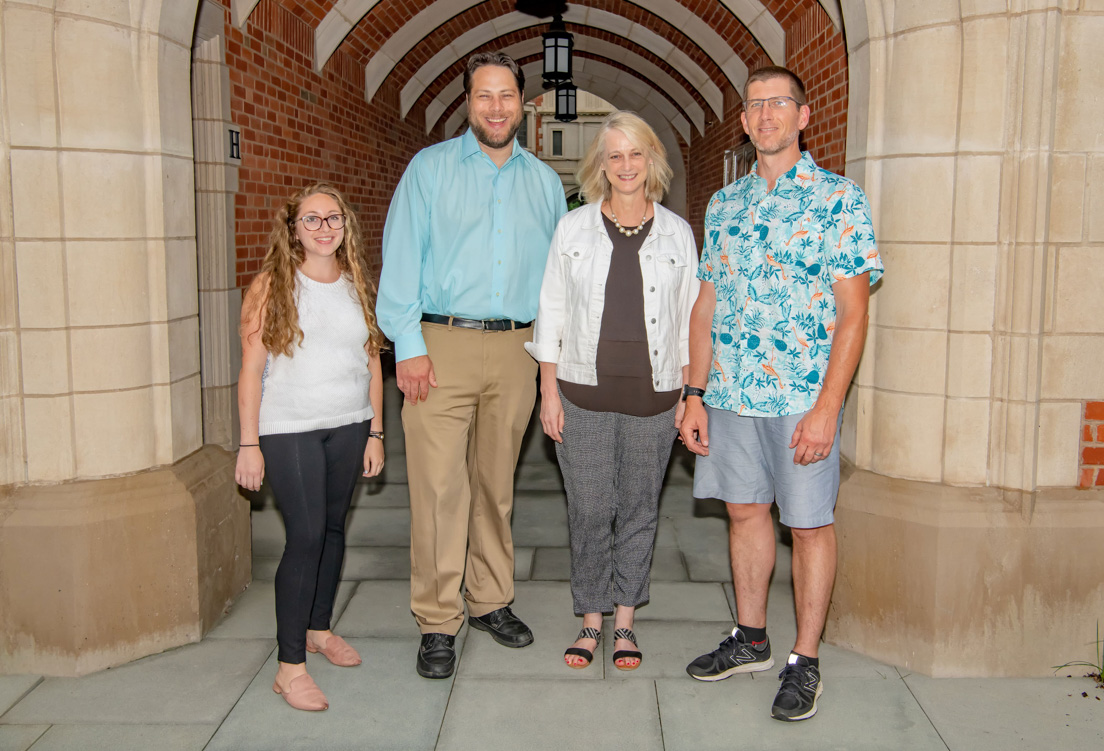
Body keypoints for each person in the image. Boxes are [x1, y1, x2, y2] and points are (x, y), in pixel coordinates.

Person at [679, 66, 883, 721]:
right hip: (731, 395)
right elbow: (706, 306)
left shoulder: (838, 200)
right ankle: (751, 636)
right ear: (743, 121)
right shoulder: (724, 204)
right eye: (755, 105)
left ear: (803, 115)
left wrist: (827, 406)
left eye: (779, 104)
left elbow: (854, 314)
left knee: (809, 524)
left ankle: (805, 658)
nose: (765, 115)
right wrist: (693, 392)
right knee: (744, 514)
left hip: (801, 397)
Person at [376, 52, 567, 679]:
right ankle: (437, 618)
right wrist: (408, 347)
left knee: (496, 486)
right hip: (441, 344)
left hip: (518, 348)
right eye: (483, 96)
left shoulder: (542, 182)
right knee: (437, 488)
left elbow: (558, 281)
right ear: (468, 103)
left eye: (506, 95)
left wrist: (552, 362)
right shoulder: (429, 171)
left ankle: (489, 600)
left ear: (523, 102)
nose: (495, 107)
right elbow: (401, 258)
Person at [526, 111, 698, 671]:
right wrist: (548, 392)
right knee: (591, 509)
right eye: (614, 155)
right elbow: (550, 310)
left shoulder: (677, 232)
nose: (625, 165)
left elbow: (692, 317)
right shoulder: (572, 228)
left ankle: (624, 621)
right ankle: (590, 618)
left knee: (640, 509)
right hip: (582, 393)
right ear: (600, 165)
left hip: (655, 397)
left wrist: (691, 393)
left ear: (652, 160)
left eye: (635, 153)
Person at [235, 183, 386, 711]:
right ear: (293, 229)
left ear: (346, 224)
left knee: (332, 530)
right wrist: (248, 444)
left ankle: (319, 629)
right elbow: (252, 370)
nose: (325, 228)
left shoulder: (357, 282)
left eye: (334, 218)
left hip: (348, 423)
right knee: (303, 538)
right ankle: (289, 665)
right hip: (289, 427)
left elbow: (371, 360)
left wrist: (375, 431)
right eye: (312, 220)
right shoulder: (272, 286)